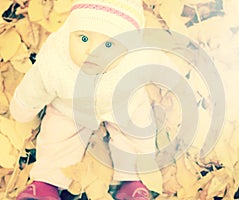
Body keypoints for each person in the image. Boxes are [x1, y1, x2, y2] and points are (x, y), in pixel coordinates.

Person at [10, 0, 157, 199]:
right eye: (84, 38)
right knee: (57, 134)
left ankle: (131, 181)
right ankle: (45, 183)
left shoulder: (133, 64)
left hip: (118, 105)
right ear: (71, 29)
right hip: (70, 106)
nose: (92, 51)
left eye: (108, 44)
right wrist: (24, 105)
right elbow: (38, 82)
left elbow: (141, 101)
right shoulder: (57, 57)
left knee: (133, 132)